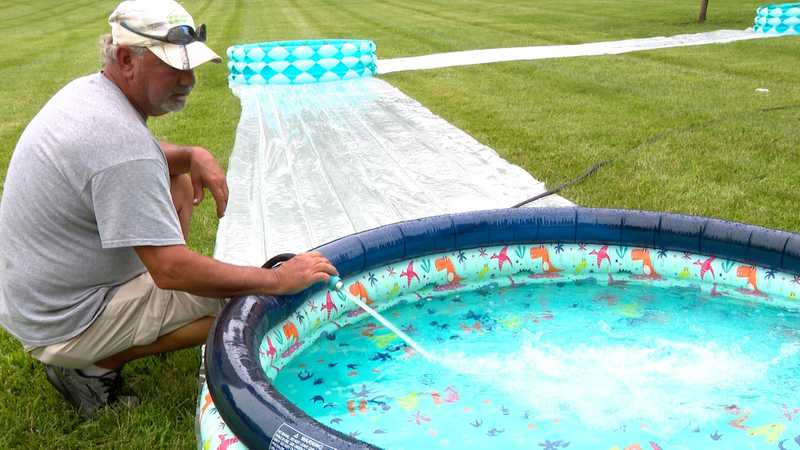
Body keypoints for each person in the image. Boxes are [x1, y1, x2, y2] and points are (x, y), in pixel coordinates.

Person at [0, 0, 337, 419]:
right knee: (239, 306)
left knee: (175, 174)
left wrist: (191, 155)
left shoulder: (90, 96)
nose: (190, 80)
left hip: (40, 302)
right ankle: (90, 366)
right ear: (126, 59)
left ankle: (119, 330)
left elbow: (133, 160)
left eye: (190, 66)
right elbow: (171, 271)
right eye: (174, 67)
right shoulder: (121, 146)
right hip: (65, 323)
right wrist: (275, 279)